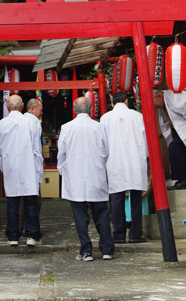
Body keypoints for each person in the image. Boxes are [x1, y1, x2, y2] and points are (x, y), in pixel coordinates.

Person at [57, 97, 114, 261]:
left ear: (74, 110)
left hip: (75, 177)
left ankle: (86, 250)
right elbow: (106, 152)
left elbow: (62, 154)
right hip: (96, 175)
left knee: (80, 217)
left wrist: (63, 170)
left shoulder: (67, 127)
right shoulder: (99, 127)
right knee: (101, 214)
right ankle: (107, 250)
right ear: (90, 110)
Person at [0, 94, 43, 246]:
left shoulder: (2, 124)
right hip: (28, 166)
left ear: (7, 107)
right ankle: (32, 236)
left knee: (13, 203)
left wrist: (4, 167)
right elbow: (37, 149)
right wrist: (38, 169)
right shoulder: (30, 122)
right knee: (30, 203)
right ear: (22, 107)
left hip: (10, 167)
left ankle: (13, 236)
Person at [100, 92, 148, 244]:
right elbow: (145, 139)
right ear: (127, 101)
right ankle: (135, 234)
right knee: (136, 197)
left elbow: (102, 142)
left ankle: (118, 234)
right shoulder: (137, 116)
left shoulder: (105, 118)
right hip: (135, 159)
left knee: (116, 196)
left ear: (112, 103)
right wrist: (145, 157)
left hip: (115, 160)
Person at [154, 89, 186, 190]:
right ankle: (181, 181)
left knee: (175, 147)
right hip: (177, 129)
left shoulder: (173, 95)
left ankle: (183, 181)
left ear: (159, 96)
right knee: (177, 150)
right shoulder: (162, 104)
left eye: (153, 102)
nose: (154, 106)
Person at [19, 98, 44, 233]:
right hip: (32, 163)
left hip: (20, 164)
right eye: (40, 109)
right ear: (32, 108)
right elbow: (36, 147)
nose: (41, 112)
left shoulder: (20, 120)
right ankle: (32, 229)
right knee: (34, 199)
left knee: (22, 198)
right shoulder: (34, 122)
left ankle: (20, 226)